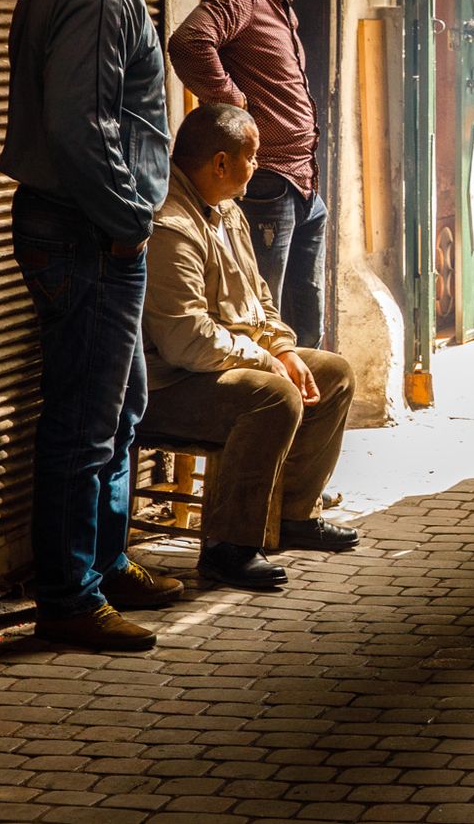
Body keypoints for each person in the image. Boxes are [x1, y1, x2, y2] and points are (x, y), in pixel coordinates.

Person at [1, 0, 177, 652]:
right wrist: (125, 220)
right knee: (82, 420)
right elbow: (81, 128)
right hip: (88, 232)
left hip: (84, 228)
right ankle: (69, 595)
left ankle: (105, 563)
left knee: (118, 403)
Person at [140, 104, 359, 591]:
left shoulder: (227, 210)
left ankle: (293, 515)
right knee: (273, 395)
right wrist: (267, 362)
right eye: (252, 156)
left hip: (222, 362)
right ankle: (229, 547)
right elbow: (187, 343)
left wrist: (283, 350)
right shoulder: (170, 226)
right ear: (221, 162)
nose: (257, 165)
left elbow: (260, 297)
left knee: (333, 373)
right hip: (172, 385)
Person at [168, 0, 328, 347]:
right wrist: (234, 104)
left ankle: (308, 413)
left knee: (303, 324)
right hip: (267, 185)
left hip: (302, 185)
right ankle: (270, 412)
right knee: (262, 319)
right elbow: (188, 42)